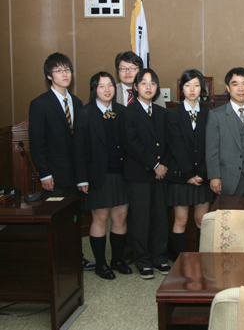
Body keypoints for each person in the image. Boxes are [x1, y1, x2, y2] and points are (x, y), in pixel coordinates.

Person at [29, 52, 94, 271]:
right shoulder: (40, 104)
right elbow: (37, 143)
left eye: (67, 70)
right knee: (57, 220)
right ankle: (58, 261)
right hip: (54, 176)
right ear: (49, 76)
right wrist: (44, 174)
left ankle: (77, 257)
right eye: (58, 71)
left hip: (76, 175)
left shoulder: (76, 102)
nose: (64, 74)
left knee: (75, 219)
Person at [73, 72, 132, 279]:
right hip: (97, 175)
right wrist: (81, 178)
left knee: (121, 216)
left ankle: (116, 260)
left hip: (121, 173)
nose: (107, 90)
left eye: (110, 86)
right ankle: (101, 264)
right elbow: (78, 149)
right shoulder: (84, 113)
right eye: (101, 86)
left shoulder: (122, 111)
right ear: (94, 90)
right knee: (100, 217)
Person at [119, 68, 170, 279]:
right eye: (144, 83)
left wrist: (163, 165)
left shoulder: (162, 113)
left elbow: (169, 142)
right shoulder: (128, 113)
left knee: (160, 218)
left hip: (161, 175)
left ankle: (160, 257)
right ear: (136, 87)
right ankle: (143, 260)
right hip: (139, 175)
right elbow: (132, 144)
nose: (148, 87)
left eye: (152, 83)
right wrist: (155, 164)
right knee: (140, 219)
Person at [166, 70, 214, 258]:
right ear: (181, 89)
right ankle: (179, 261)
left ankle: (201, 260)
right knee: (181, 219)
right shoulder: (173, 114)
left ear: (201, 88)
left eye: (195, 85)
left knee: (202, 220)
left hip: (202, 176)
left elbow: (210, 145)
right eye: (187, 85)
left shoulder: (209, 114)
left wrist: (201, 173)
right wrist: (188, 174)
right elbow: (175, 146)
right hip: (181, 176)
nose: (192, 89)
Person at [206, 67, 244, 197]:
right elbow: (212, 149)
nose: (240, 88)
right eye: (235, 84)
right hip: (230, 180)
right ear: (228, 88)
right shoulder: (217, 115)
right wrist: (214, 176)